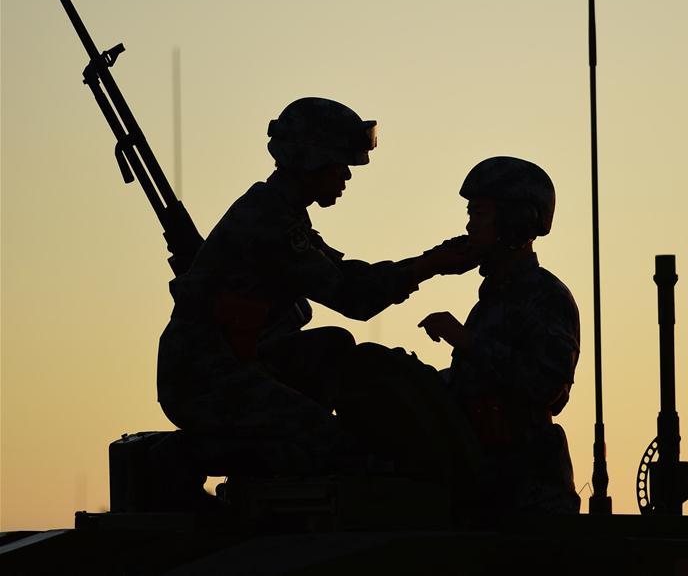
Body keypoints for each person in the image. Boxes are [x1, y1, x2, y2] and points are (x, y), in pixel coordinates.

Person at [156, 97, 476, 484]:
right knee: (333, 444)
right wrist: (432, 265)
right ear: (312, 160)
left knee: (334, 347)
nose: (347, 176)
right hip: (205, 379)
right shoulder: (269, 221)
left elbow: (343, 274)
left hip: (231, 363)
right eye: (340, 164)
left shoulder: (282, 212)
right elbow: (351, 296)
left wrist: (429, 261)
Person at [418, 156, 581, 516]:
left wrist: (466, 341)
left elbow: (547, 387)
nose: (469, 225)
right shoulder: (494, 298)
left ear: (514, 221)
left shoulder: (546, 296)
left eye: (479, 214)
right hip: (483, 483)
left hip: (528, 496)